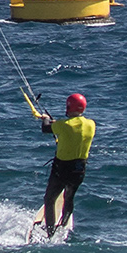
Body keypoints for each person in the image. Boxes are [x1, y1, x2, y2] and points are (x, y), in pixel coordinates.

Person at [39, 91, 95, 237]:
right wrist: (55, 123)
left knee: (50, 199)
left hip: (61, 169)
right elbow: (70, 130)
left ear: (69, 107)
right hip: (79, 170)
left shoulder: (63, 125)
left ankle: (50, 232)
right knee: (69, 197)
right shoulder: (91, 124)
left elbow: (46, 128)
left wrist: (45, 119)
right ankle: (63, 224)